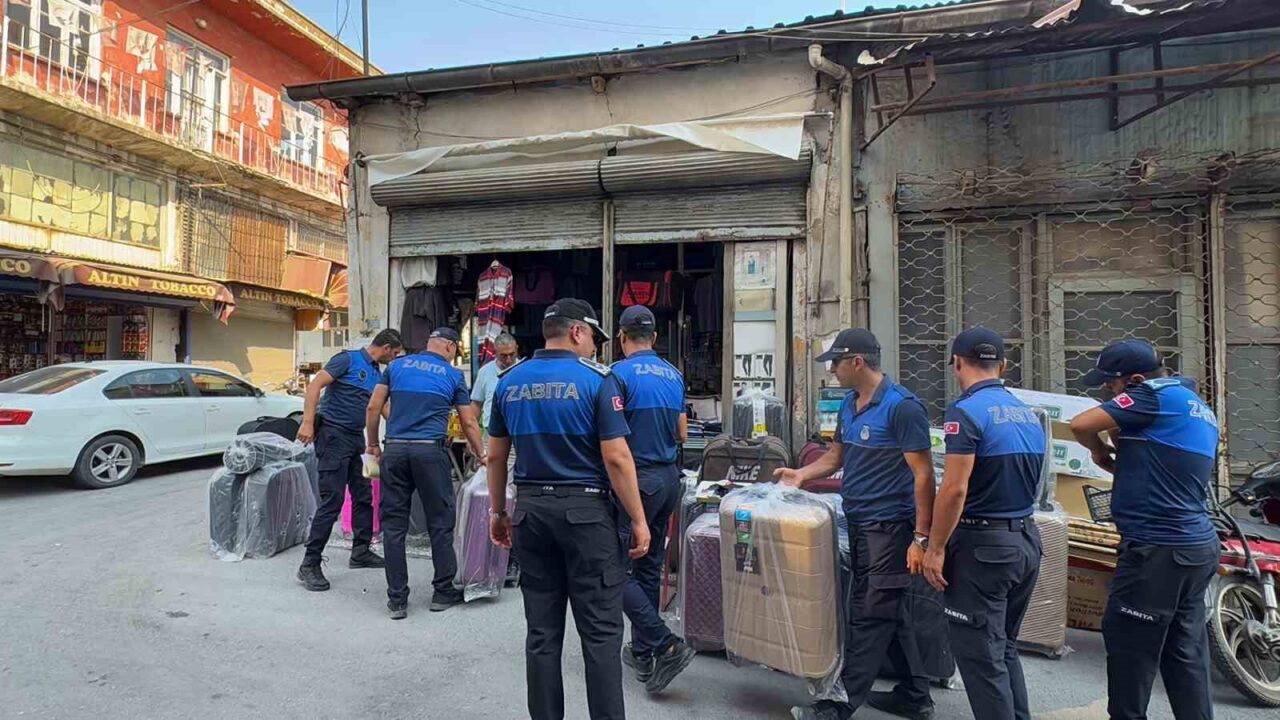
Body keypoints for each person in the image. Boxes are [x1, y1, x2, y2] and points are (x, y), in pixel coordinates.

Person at [486, 298, 651, 720]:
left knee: (541, 634)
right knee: (600, 636)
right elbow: (616, 458)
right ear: (577, 332)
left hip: (531, 513)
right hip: (586, 516)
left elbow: (496, 457)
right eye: (593, 338)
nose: (595, 347)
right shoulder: (596, 381)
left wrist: (498, 513)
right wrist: (637, 518)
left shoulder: (509, 381)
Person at [779, 328, 937, 720]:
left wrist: (921, 538)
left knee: (869, 611)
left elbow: (924, 476)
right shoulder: (850, 404)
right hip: (859, 522)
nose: (831, 370)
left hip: (890, 527)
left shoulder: (903, 408)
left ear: (857, 362)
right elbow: (836, 458)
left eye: (835, 363)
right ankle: (916, 695)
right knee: (890, 607)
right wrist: (801, 475)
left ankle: (839, 704)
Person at [1069, 340, 1220, 720]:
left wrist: (1099, 452)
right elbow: (1155, 453)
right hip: (1194, 547)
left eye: (1111, 384)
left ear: (1135, 379)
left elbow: (1081, 424)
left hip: (1157, 550)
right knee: (1184, 652)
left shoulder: (1153, 395)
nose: (1107, 390)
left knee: (1129, 650)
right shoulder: (1196, 405)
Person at [922, 327, 1044, 720]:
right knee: (1004, 648)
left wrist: (935, 548)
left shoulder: (966, 413)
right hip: (1025, 540)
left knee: (980, 657)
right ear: (1003, 365)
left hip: (984, 549)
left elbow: (955, 489)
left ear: (956, 362)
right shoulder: (1027, 413)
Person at [365, 327, 485, 620]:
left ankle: (397, 601)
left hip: (394, 451)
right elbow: (468, 421)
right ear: (449, 347)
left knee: (393, 527)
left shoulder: (395, 366)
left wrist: (372, 444)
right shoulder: (453, 375)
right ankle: (443, 592)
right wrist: (481, 453)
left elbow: (373, 407)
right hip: (430, 454)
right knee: (440, 523)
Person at [610, 306, 696, 694]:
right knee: (648, 567)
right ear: (655, 339)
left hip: (635, 481)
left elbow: (610, 440)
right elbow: (682, 433)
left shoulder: (617, 375)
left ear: (621, 337)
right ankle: (642, 651)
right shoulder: (674, 375)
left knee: (612, 570)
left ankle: (666, 643)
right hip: (667, 480)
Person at [296, 329, 403, 592]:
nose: (397, 357)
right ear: (387, 347)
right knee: (332, 500)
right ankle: (309, 563)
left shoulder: (378, 374)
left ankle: (361, 551)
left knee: (364, 494)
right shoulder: (348, 360)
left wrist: (406, 430)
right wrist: (308, 422)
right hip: (333, 435)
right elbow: (315, 385)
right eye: (396, 353)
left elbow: (384, 409)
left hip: (358, 439)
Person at [471, 332, 521, 445]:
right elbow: (476, 405)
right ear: (495, 353)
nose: (508, 360)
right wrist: (472, 437)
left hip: (518, 432)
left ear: (517, 349)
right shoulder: (485, 371)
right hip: (491, 432)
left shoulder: (525, 369)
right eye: (503, 355)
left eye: (512, 354)